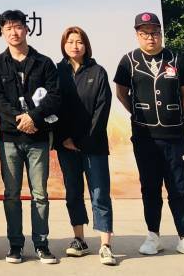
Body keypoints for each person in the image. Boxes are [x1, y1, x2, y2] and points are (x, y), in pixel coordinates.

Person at [114, 12, 184, 260]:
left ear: (161, 33)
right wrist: (139, 114)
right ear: (137, 35)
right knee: (150, 187)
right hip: (144, 137)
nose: (150, 38)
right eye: (144, 33)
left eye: (155, 32)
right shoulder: (128, 61)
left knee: (179, 187)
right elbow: (121, 93)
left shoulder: (176, 59)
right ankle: (153, 236)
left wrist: (172, 115)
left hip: (174, 136)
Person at [0, 9, 61, 264]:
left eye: (18, 27)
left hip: (38, 138)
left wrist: (33, 118)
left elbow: (54, 96)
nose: (14, 32)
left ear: (27, 29)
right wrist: (21, 119)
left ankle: (41, 244)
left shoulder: (44, 63)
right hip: (9, 139)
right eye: (8, 28)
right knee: (11, 194)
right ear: (2, 33)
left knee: (40, 194)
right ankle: (15, 245)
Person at [55, 27, 117, 265]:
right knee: (73, 193)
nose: (75, 46)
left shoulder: (97, 72)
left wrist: (83, 140)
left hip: (94, 145)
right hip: (66, 146)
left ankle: (105, 244)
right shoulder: (57, 72)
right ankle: (79, 239)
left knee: (99, 194)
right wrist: (64, 138)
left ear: (86, 45)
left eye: (79, 41)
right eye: (70, 41)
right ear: (64, 45)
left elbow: (102, 108)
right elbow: (52, 107)